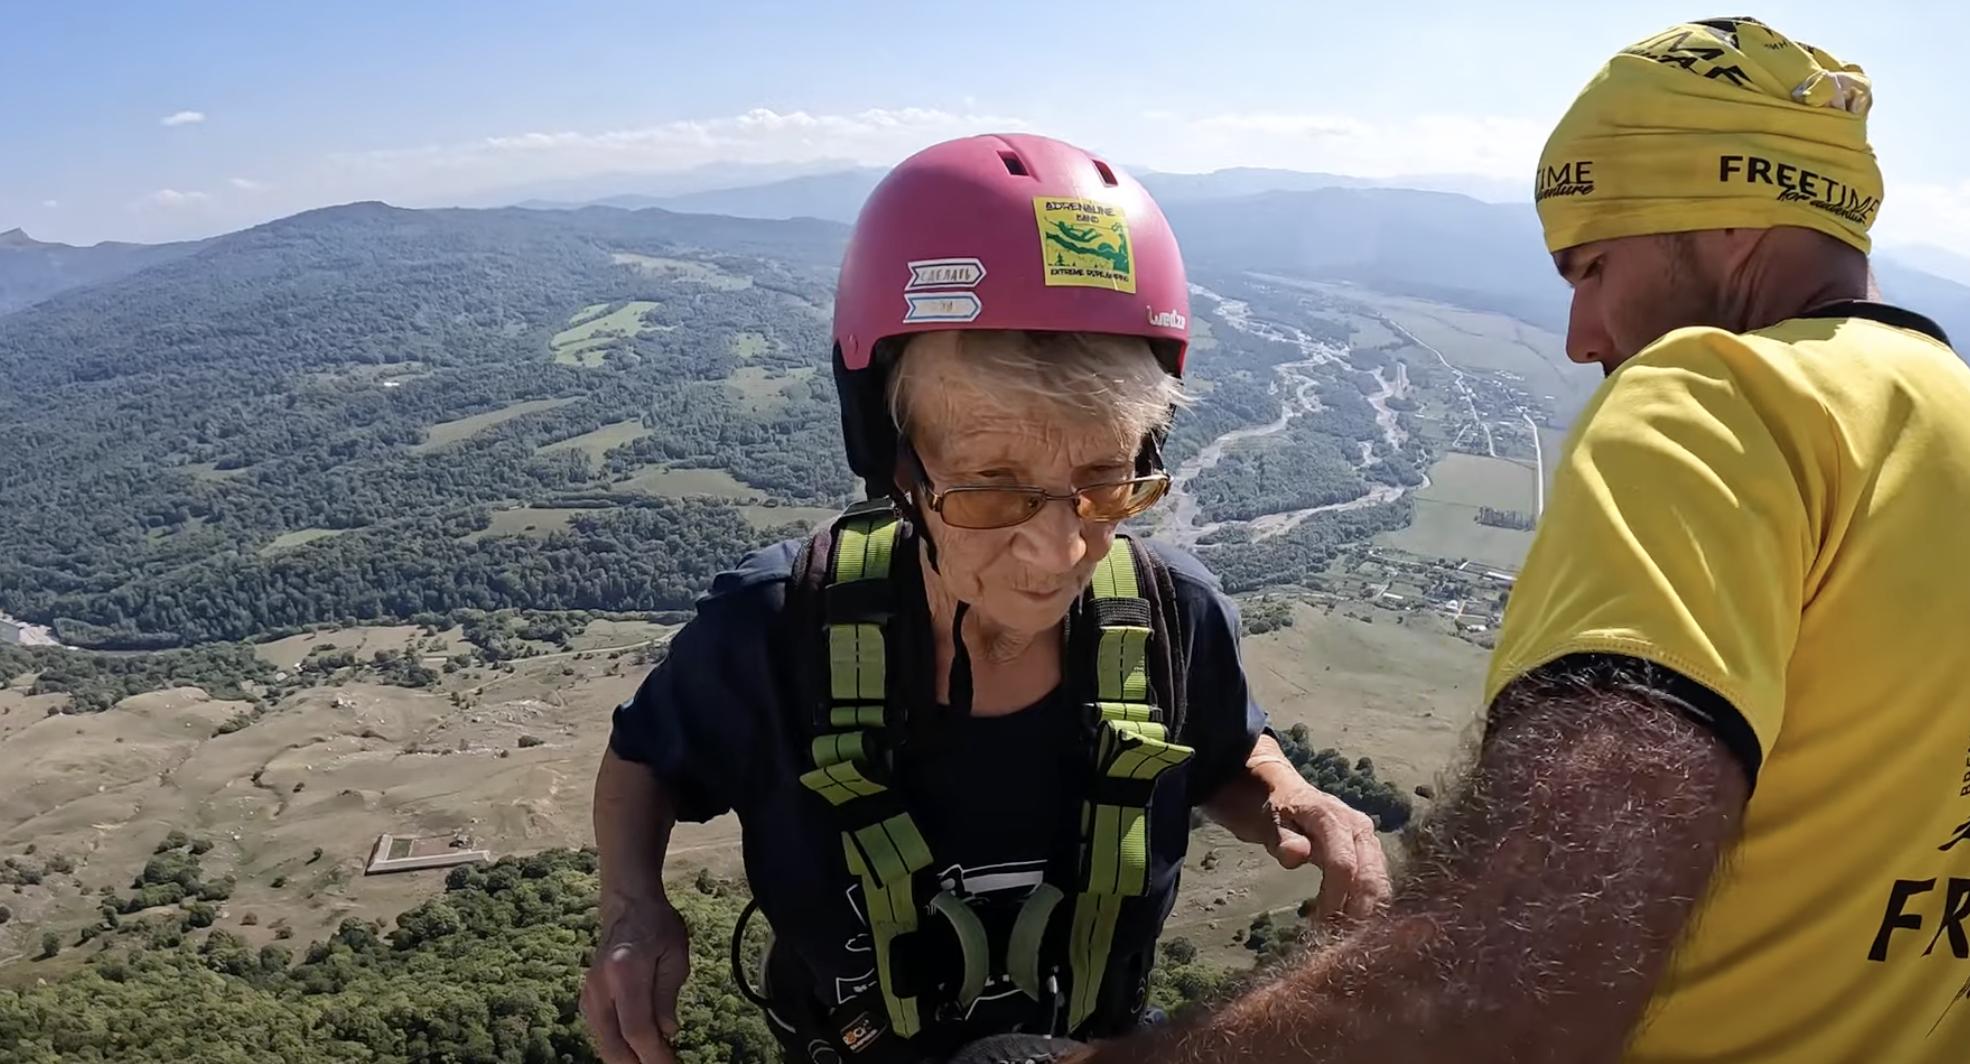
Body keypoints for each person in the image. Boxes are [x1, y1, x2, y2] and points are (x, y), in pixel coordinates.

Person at [1070, 16, 1970, 1064]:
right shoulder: (1936, 425)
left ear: (1727, 222)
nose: (1581, 337)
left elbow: (1512, 975)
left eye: (1588, 267)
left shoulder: (1721, 401)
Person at [581, 132, 1392, 1064]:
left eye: (1105, 480)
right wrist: (635, 908)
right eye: (991, 487)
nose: (1058, 548)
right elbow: (644, 757)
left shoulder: (1174, 619)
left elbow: (1223, 750)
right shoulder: (773, 632)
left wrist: (1292, 801)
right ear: (894, 461)